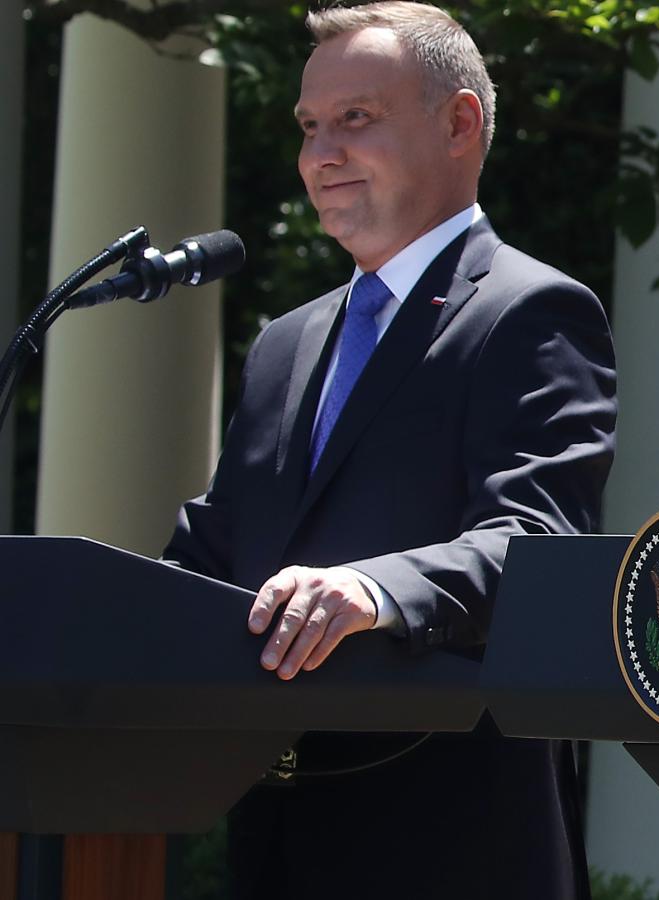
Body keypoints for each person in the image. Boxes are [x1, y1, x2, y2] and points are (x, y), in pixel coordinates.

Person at [162, 3, 615, 898]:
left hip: (451, 838)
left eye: (354, 119)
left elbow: (537, 541)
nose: (317, 156)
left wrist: (374, 591)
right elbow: (217, 552)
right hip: (278, 834)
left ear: (459, 124)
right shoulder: (287, 343)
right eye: (308, 127)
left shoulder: (529, 311)